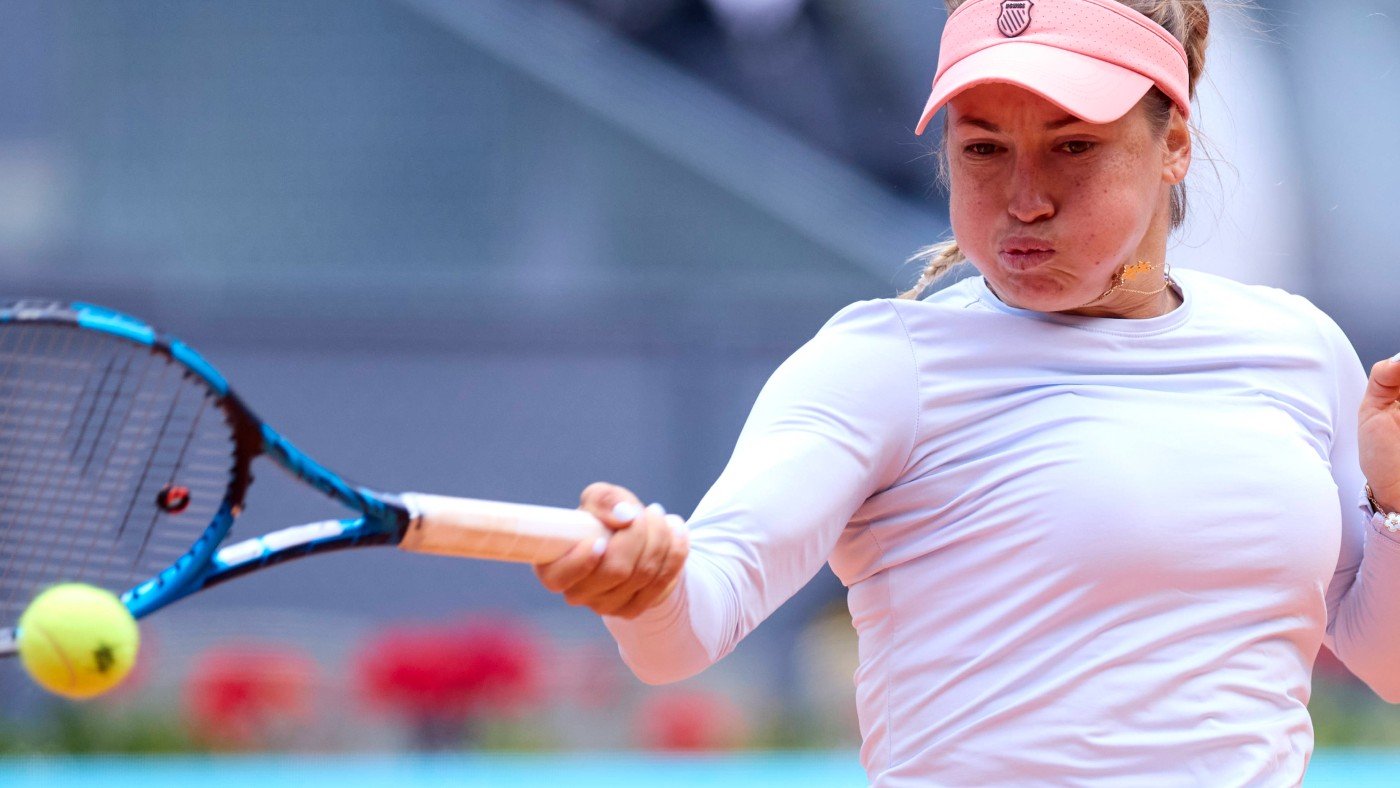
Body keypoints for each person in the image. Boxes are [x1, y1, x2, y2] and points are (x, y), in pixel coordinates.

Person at [533, 0, 1400, 782]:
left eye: (1072, 146)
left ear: (1173, 143)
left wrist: (1394, 500)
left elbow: (1388, 664)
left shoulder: (1297, 345)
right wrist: (644, 588)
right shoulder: (882, 364)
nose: (1023, 199)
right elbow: (691, 625)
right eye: (983, 148)